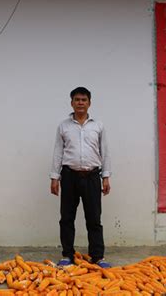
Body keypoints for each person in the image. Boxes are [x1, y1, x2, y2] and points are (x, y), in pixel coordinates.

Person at [50, 86, 111, 268]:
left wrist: (105, 177)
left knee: (94, 218)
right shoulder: (64, 126)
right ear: (72, 103)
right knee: (67, 217)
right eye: (77, 100)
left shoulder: (98, 126)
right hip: (69, 176)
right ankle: (67, 254)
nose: (80, 103)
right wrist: (55, 178)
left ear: (89, 103)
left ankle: (97, 256)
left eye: (84, 100)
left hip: (92, 176)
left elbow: (105, 152)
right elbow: (58, 152)